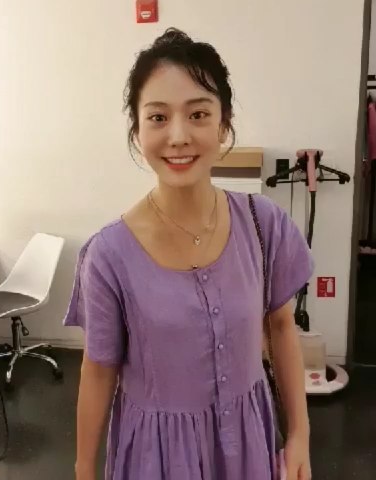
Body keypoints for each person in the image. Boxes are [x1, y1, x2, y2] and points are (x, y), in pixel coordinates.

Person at [64, 27, 313, 480]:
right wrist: (84, 471)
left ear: (223, 124)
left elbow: (280, 326)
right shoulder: (108, 255)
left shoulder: (263, 224)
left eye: (198, 114)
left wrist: (299, 436)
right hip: (156, 457)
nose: (178, 136)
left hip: (249, 444)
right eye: (158, 117)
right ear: (137, 131)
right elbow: (99, 369)